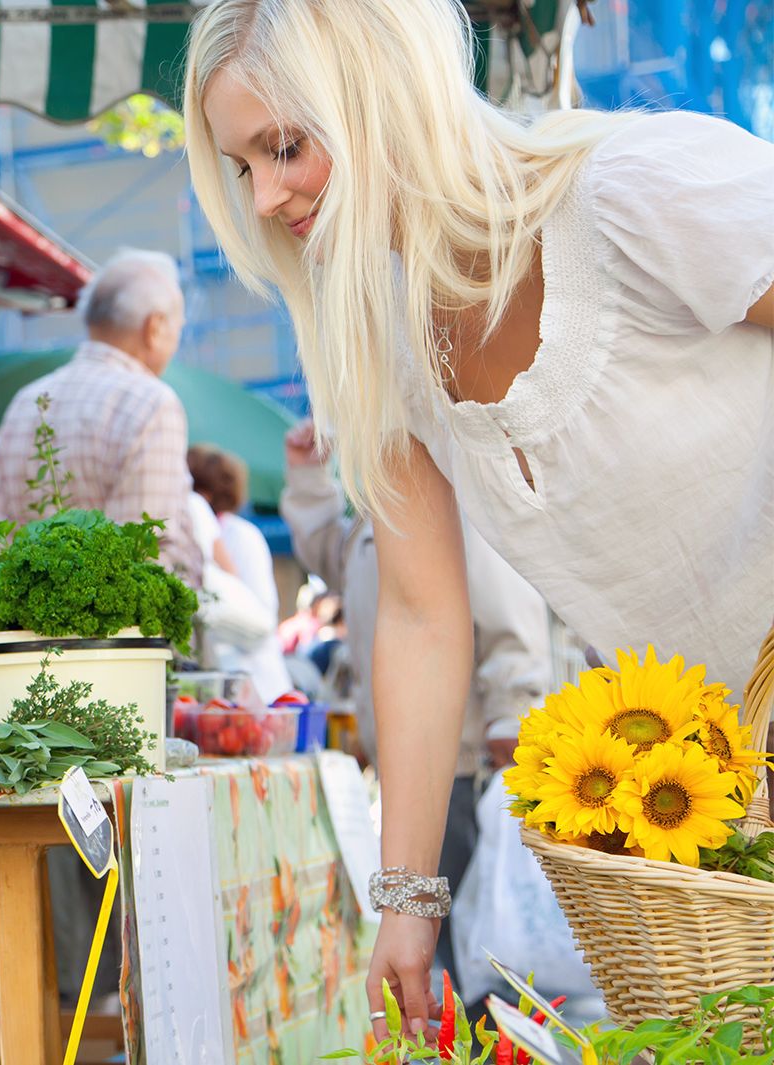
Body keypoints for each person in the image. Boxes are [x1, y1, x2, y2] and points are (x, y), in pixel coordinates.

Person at [183, 0, 774, 1036]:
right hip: (730, 801)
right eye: (242, 166)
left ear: (385, 100)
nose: (266, 196)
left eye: (285, 147)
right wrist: (407, 905)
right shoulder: (385, 334)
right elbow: (420, 616)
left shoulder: (633, 191)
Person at [280, 417, 554, 980]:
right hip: (413, 759)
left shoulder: (454, 500)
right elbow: (328, 554)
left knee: (467, 938)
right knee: (441, 935)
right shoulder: (375, 512)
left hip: (461, 758)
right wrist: (308, 477)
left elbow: (510, 614)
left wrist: (513, 713)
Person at [0, 249, 203, 584]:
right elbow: (143, 550)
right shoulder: (152, 403)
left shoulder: (24, 403)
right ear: (155, 327)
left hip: (27, 630)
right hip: (121, 634)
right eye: (178, 327)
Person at [187, 445, 293, 700]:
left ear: (204, 493)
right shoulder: (208, 531)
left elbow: (261, 615)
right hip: (225, 686)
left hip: (259, 686)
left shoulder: (242, 536)